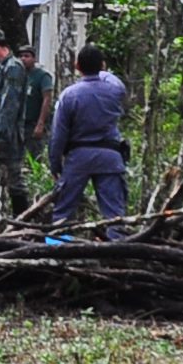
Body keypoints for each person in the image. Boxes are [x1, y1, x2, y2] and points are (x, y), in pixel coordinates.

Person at [0, 28, 52, 229]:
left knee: (14, 181)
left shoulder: (13, 68)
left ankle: (20, 223)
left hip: (5, 138)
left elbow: (9, 106)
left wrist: (0, 138)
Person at [44, 46, 128, 240]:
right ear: (103, 65)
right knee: (115, 214)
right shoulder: (114, 90)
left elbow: (58, 135)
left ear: (77, 66)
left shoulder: (69, 95)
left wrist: (55, 164)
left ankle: (57, 250)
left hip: (78, 157)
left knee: (63, 212)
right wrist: (101, 69)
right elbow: (112, 79)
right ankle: (119, 253)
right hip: (110, 156)